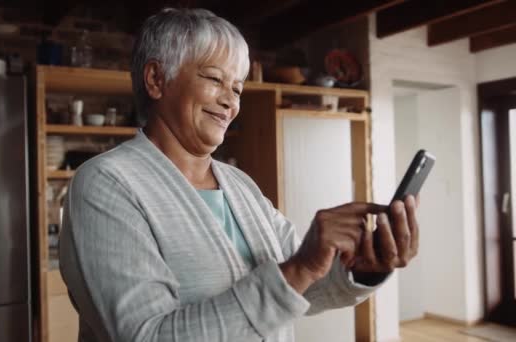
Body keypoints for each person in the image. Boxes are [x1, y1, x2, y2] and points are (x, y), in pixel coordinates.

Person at [59, 7, 420, 342]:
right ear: (156, 79)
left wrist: (366, 267)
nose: (231, 101)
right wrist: (299, 268)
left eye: (237, 88)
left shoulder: (238, 184)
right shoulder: (106, 184)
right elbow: (148, 335)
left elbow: (301, 286)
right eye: (215, 78)